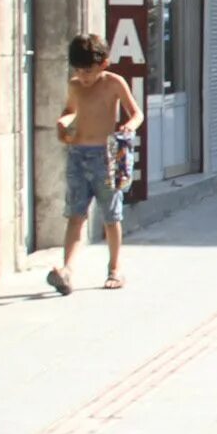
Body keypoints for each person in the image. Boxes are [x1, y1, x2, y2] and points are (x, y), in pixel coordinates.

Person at [49, 32, 142, 296]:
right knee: (75, 215)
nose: (84, 76)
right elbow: (70, 111)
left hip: (106, 156)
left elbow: (136, 113)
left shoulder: (114, 83)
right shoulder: (75, 85)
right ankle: (67, 270)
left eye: (88, 70)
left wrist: (128, 126)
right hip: (78, 155)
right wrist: (63, 123)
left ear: (103, 63)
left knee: (111, 216)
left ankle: (115, 268)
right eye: (79, 70)